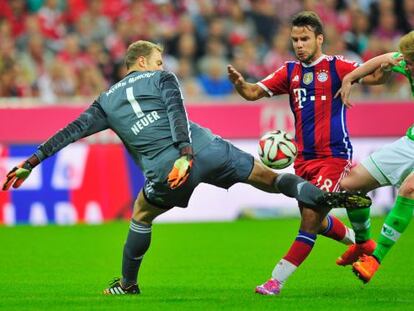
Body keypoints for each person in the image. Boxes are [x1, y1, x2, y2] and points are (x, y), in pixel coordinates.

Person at [1, 40, 371, 295]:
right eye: (159, 61)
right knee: (271, 179)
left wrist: (31, 162)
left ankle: (128, 284)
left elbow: (70, 132)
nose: (163, 66)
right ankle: (324, 196)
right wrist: (186, 150)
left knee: (142, 213)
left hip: (169, 169)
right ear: (142, 62)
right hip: (205, 149)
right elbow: (179, 112)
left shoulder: (104, 103)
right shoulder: (162, 78)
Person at [227, 11, 386, 295]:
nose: (299, 44)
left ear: (319, 39)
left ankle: (276, 281)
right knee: (319, 220)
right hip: (303, 160)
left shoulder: (337, 67)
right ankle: (362, 244)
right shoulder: (289, 72)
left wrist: (389, 62)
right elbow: (253, 93)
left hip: (333, 156)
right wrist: (240, 85)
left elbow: (374, 77)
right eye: (295, 40)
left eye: (304, 39)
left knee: (310, 218)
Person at [335, 30, 414, 283]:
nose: (407, 66)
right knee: (348, 186)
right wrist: (350, 78)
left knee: (409, 188)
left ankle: (375, 258)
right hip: (410, 142)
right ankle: (362, 243)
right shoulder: (407, 61)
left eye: (411, 63)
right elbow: (385, 59)